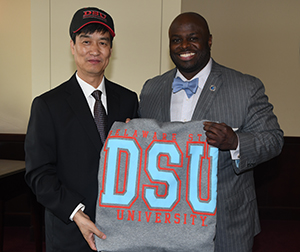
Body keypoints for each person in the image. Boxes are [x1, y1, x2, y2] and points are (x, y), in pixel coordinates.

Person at [139, 12, 283, 252]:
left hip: (225, 223)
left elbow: (274, 140)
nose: (184, 46)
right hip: (164, 220)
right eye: (176, 40)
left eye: (193, 38)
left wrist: (236, 141)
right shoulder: (152, 88)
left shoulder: (246, 87)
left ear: (209, 40)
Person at [25, 7, 138, 252]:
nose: (94, 50)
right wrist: (77, 214)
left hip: (122, 228)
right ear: (73, 46)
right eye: (86, 41)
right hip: (70, 229)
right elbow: (39, 173)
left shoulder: (128, 100)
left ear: (111, 49)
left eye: (102, 42)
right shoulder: (47, 105)